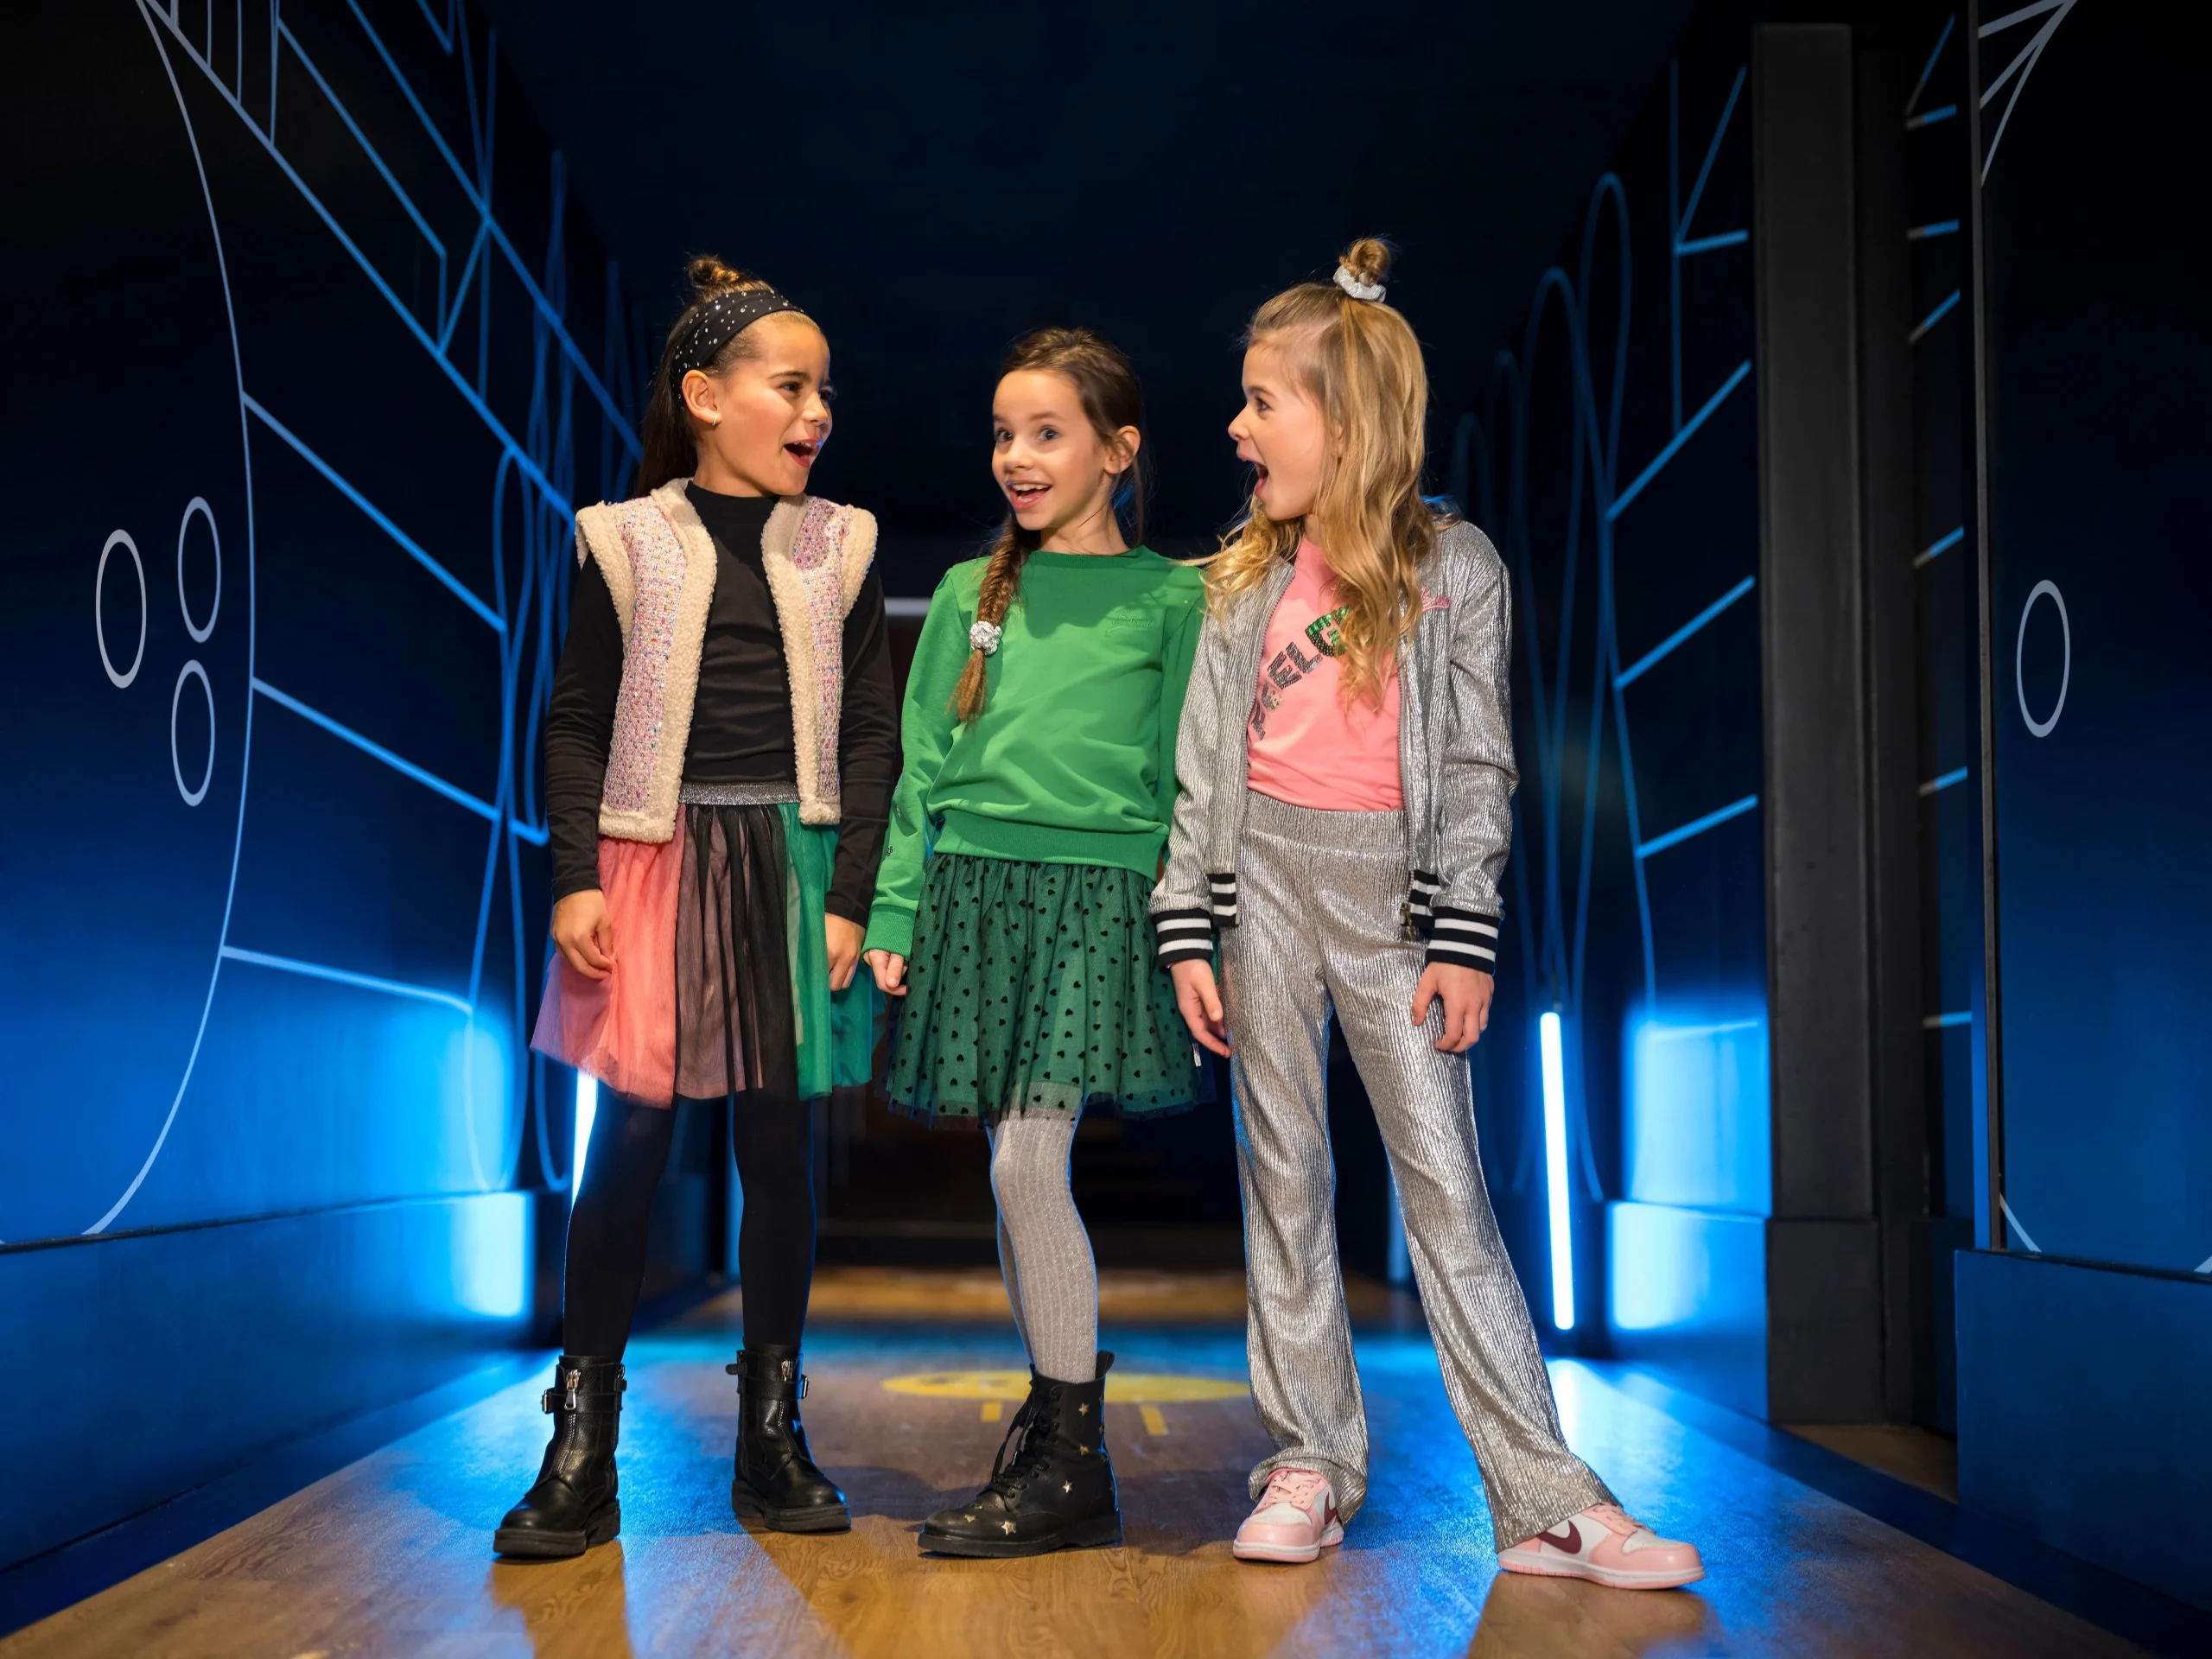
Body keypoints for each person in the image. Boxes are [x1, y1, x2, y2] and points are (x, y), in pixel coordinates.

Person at [1153, 240, 1705, 1590]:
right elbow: (1201, 769)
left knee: (1448, 1193)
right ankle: (1308, 1462)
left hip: (1394, 903)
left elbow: (1475, 767)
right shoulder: (1237, 583)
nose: (1235, 428)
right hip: (1260, 887)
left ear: (1345, 423)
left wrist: (1464, 929)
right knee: (1283, 1181)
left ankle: (1545, 1501)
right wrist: (1188, 923)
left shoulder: (1456, 566)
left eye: (1261, 403)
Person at [495, 257, 895, 1558]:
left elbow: (873, 735)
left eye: (825, 391)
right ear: (706, 397)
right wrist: (573, 874)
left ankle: (771, 1435)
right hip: (652, 859)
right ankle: (582, 1445)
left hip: (789, 864)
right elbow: (575, 718)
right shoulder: (623, 537)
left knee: (776, 1147)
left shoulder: (842, 544)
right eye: (791, 385)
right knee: (627, 1139)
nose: (816, 410)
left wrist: (849, 894)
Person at [862, 327, 1211, 1558]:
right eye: (1005, 434)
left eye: (1047, 433)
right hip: (972, 893)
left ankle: (1074, 1462)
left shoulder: (1178, 597)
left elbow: (1189, 779)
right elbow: (923, 764)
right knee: (1010, 1181)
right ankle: (1057, 1442)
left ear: (1118, 451)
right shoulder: (971, 591)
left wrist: (1188, 926)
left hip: (1093, 899)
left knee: (1025, 1166)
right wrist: (897, 907)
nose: (1017, 455)